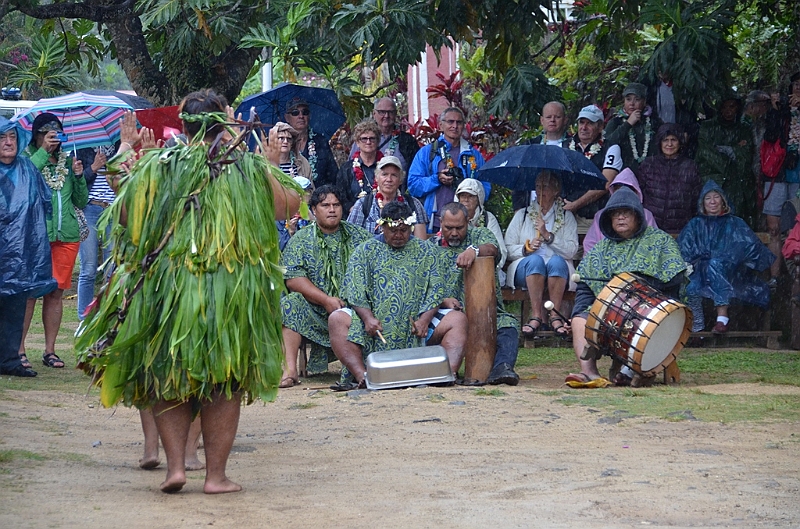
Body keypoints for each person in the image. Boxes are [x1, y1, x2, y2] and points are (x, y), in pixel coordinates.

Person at [75, 89, 301, 494]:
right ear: (224, 122)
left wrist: (127, 153)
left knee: (169, 374)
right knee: (225, 381)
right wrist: (270, 164)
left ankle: (175, 468)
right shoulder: (245, 167)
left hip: (169, 290)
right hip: (231, 293)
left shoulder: (161, 165)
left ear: (183, 125)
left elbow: (125, 217)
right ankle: (215, 477)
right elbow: (287, 207)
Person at [328, 201, 467, 387]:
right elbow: (354, 289)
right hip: (373, 326)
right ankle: (364, 376)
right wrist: (368, 318)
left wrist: (424, 320)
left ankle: (445, 374)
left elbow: (436, 290)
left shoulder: (427, 251)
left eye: (404, 230)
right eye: (393, 230)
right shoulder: (364, 251)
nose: (399, 235)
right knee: (337, 319)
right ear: (382, 227)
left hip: (417, 325)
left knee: (458, 320)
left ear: (411, 227)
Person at [565, 187, 687, 386]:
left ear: (637, 216)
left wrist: (637, 290)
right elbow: (585, 288)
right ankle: (590, 373)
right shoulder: (600, 250)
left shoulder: (660, 241)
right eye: (615, 214)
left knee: (638, 319)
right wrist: (582, 311)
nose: (620, 217)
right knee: (579, 319)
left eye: (626, 212)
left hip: (649, 312)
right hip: (606, 314)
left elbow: (674, 280)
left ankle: (635, 369)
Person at [279, 185, 372, 387]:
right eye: (325, 205)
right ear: (314, 209)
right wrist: (325, 300)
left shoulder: (360, 236)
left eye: (336, 205)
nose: (332, 210)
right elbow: (293, 278)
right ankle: (290, 370)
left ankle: (368, 366)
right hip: (317, 311)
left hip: (355, 311)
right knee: (290, 303)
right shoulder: (301, 239)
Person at [19, 112, 88, 370]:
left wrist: (79, 176)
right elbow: (24, 181)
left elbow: (80, 201)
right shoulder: (27, 159)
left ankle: (50, 350)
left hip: (66, 236)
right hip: (36, 236)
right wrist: (42, 152)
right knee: (29, 294)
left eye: (56, 134)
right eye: (47, 134)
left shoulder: (67, 162)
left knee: (56, 293)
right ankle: (19, 350)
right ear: (36, 135)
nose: (52, 138)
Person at [427, 203, 520, 385]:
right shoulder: (428, 248)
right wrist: (442, 301)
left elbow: (493, 249)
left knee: (508, 326)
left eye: (460, 228)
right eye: (449, 228)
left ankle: (502, 368)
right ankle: (441, 370)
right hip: (444, 312)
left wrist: (474, 250)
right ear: (441, 222)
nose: (454, 233)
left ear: (468, 222)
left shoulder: (480, 235)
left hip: (484, 311)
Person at [0, 116, 57, 377]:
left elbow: (43, 202)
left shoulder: (27, 168)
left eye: (12, 137)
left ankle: (10, 360)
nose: (8, 142)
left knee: (15, 305)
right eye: (2, 138)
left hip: (20, 251)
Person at [678, 181, 775, 334]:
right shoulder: (695, 224)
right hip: (699, 271)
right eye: (708, 198)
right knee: (691, 287)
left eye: (716, 197)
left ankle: (722, 319)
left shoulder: (735, 223)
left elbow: (747, 247)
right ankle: (697, 329)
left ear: (723, 201)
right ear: (702, 203)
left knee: (714, 265)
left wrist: (728, 259)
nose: (712, 201)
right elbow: (684, 248)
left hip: (731, 273)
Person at [504, 171, 578, 338]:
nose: (540, 191)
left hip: (558, 270)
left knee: (556, 262)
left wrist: (548, 236)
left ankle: (555, 316)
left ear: (556, 190)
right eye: (537, 186)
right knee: (535, 261)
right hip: (526, 269)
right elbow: (507, 248)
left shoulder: (566, 216)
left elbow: (572, 250)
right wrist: (526, 249)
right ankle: (536, 316)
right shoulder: (523, 214)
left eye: (545, 186)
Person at [408, 107, 489, 233]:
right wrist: (437, 179)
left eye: (459, 122)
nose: (455, 126)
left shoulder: (473, 154)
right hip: (434, 222)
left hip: (466, 223)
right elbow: (413, 186)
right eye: (450, 122)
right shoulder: (427, 152)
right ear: (441, 125)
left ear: (463, 126)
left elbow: (486, 185)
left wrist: (470, 192)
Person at [695, 94, 756, 229]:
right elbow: (705, 151)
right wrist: (733, 152)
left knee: (736, 220)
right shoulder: (708, 127)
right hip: (714, 179)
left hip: (738, 183)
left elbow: (747, 154)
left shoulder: (743, 129)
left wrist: (726, 150)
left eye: (732, 107)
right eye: (725, 107)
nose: (728, 111)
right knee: (711, 220)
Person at [563, 104, 623, 232]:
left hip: (594, 218)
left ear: (600, 127)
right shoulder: (564, 146)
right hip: (565, 216)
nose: (584, 127)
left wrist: (576, 204)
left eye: (590, 123)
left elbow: (605, 184)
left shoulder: (611, 148)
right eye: (581, 122)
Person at [637, 123, 702, 233]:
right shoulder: (648, 164)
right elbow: (638, 195)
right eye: (665, 140)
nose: (669, 144)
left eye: (674, 140)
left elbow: (696, 200)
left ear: (680, 142)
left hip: (680, 230)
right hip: (650, 228)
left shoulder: (690, 166)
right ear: (660, 142)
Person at [347, 155, 427, 238]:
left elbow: (420, 242)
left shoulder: (413, 204)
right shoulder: (363, 204)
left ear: (400, 180)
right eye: (384, 174)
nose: (389, 179)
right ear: (376, 178)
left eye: (394, 175)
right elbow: (351, 238)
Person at [76, 145, 113, 320]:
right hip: (90, 208)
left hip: (113, 209)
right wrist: (93, 167)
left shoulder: (119, 146)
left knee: (112, 268)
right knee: (88, 268)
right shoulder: (82, 148)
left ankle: (108, 317)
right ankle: (84, 319)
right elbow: (76, 182)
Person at [583, 168, 658, 254]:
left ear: (635, 191)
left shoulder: (646, 215)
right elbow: (590, 247)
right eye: (615, 214)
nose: (621, 217)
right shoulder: (601, 215)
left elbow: (655, 245)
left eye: (628, 213)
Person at [513, 101, 571, 210]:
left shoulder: (573, 146)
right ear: (542, 120)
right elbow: (520, 179)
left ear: (565, 120)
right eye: (548, 117)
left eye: (557, 117)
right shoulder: (529, 146)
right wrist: (518, 208)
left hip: (563, 209)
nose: (552, 120)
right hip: (531, 208)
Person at [349, 97, 419, 172]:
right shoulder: (364, 138)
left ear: (395, 114)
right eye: (382, 112)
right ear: (374, 113)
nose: (386, 116)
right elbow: (350, 167)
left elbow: (416, 170)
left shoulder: (407, 141)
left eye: (390, 112)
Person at [605, 82, 661, 172]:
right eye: (628, 99)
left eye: (637, 99)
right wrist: (628, 124)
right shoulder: (615, 122)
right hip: (623, 173)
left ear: (644, 102)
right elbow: (607, 144)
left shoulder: (654, 122)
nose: (632, 103)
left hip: (652, 172)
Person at [284, 97, 339, 188]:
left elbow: (333, 175)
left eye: (305, 112)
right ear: (287, 118)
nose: (301, 116)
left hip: (320, 194)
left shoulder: (321, 141)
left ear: (309, 116)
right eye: (295, 113)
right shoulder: (282, 143)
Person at [454, 178, 507, 272]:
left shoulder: (488, 218)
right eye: (463, 196)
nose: (466, 199)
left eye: (471, 196)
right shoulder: (452, 219)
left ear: (478, 199)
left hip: (485, 269)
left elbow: (500, 250)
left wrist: (490, 269)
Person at [336, 119, 383, 213]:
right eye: (364, 139)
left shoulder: (385, 166)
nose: (368, 142)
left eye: (372, 138)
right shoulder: (346, 169)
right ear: (357, 142)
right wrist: (351, 209)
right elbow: (340, 195)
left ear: (378, 141)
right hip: (354, 215)